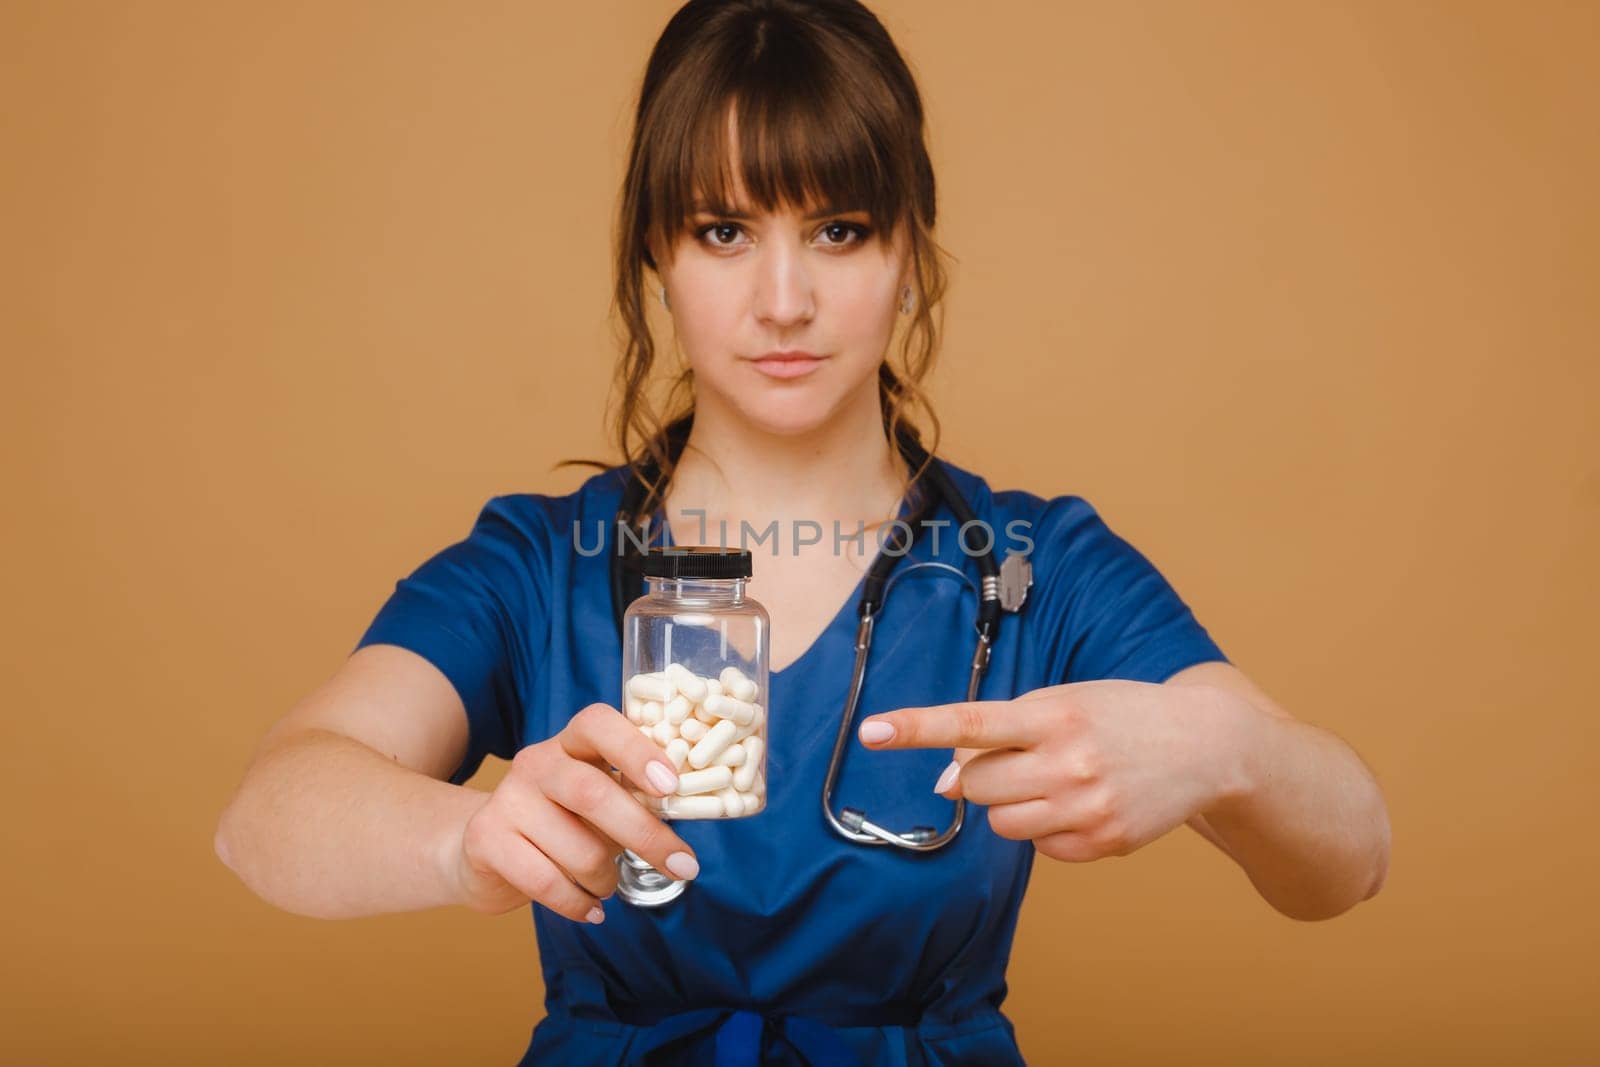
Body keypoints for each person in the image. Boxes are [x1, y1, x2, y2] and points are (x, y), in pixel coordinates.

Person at [214, 1, 1392, 1063]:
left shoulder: (1032, 568)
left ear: (910, 257)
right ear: (656, 256)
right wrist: (467, 840)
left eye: (838, 229)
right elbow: (268, 812)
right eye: (723, 230)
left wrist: (1223, 750)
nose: (784, 299)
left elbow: (1349, 856)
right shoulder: (541, 566)